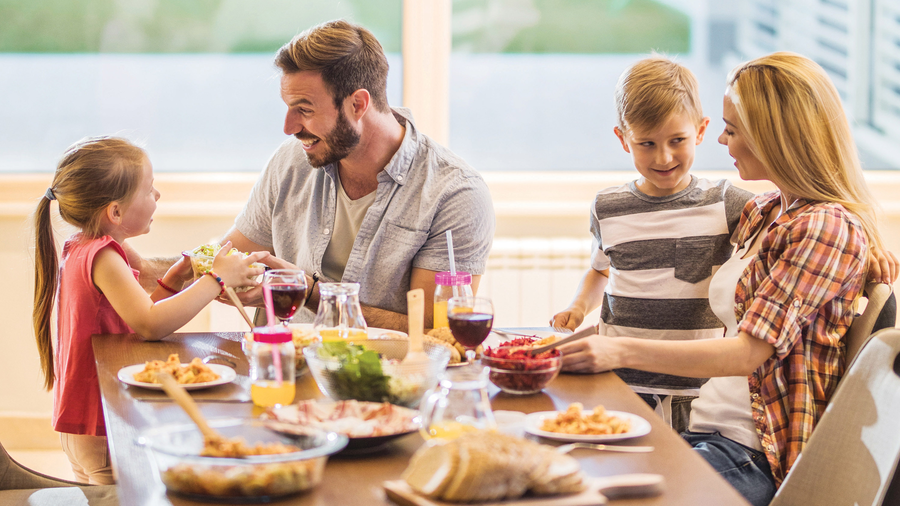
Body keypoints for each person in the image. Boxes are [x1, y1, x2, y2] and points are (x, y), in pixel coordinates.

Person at [558, 52, 898, 506]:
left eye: (733, 129)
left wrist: (615, 348)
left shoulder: (824, 226)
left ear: (774, 136)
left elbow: (748, 353)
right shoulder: (764, 212)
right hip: (707, 429)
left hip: (752, 452)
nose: (721, 139)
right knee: (561, 470)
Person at [135, 20, 495, 331]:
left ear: (358, 104)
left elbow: (436, 330)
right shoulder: (292, 161)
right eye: (289, 109)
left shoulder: (455, 194)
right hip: (283, 373)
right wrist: (140, 268)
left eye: (304, 110)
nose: (289, 127)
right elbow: (227, 257)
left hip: (387, 388)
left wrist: (307, 292)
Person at [32, 137, 266, 484]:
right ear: (115, 212)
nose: (157, 196)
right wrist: (217, 279)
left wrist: (172, 281)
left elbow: (137, 315)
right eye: (150, 189)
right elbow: (151, 325)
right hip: (99, 421)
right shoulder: (105, 256)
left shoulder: (82, 245)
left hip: (86, 421)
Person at [550, 56, 755, 433]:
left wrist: (869, 251)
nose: (663, 157)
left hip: (692, 390)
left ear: (701, 130)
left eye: (677, 140)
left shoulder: (728, 203)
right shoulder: (607, 207)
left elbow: (801, 225)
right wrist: (578, 307)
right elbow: (600, 271)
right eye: (646, 143)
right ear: (623, 139)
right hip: (618, 383)